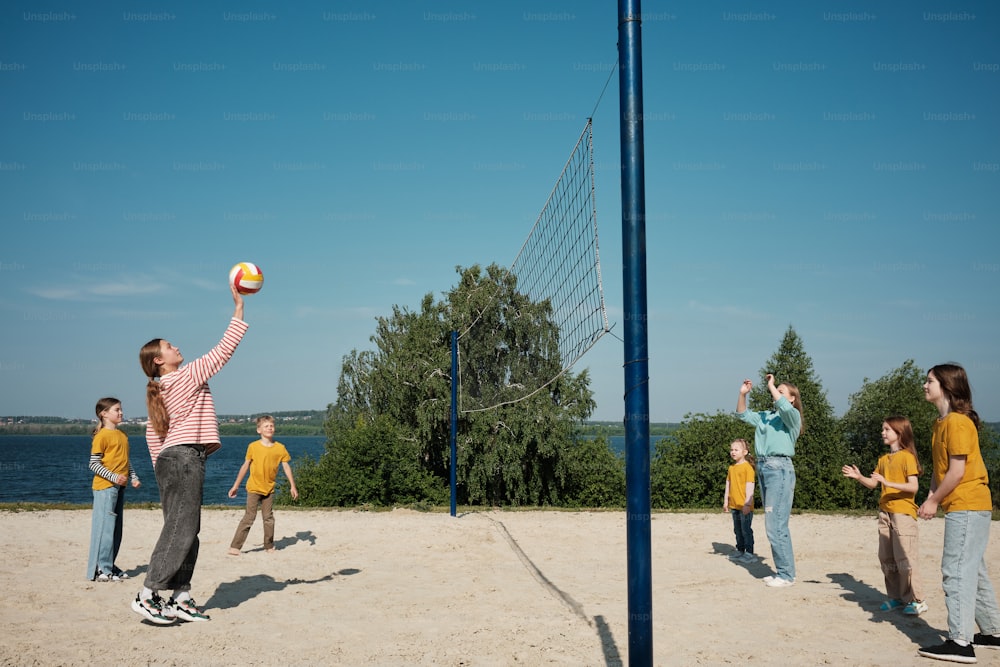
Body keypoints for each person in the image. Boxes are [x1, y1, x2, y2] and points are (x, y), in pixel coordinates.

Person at [131, 285, 248, 625]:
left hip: (172, 461)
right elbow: (224, 349)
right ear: (159, 360)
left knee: (185, 528)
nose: (177, 347)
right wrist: (239, 308)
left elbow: (154, 437)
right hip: (183, 460)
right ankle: (148, 593)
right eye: (169, 346)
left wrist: (161, 473)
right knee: (182, 529)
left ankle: (180, 596)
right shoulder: (185, 377)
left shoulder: (159, 391)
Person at [916, 363, 1000, 663]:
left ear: (947, 387)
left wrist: (935, 501)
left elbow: (957, 471)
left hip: (968, 504)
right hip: (964, 506)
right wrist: (930, 496)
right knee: (973, 568)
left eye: (929, 381)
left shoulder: (958, 423)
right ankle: (992, 632)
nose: (924, 385)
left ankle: (961, 642)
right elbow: (940, 471)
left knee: (956, 571)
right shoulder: (941, 423)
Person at [842, 416, 926, 616]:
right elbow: (873, 484)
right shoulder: (883, 459)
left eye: (887, 429)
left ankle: (917, 600)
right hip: (885, 513)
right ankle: (896, 597)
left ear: (899, 432)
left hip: (903, 513)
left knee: (906, 558)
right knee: (887, 558)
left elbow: (913, 487)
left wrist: (887, 482)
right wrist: (859, 477)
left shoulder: (907, 457)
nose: (883, 432)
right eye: (883, 429)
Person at [736, 374, 803, 588]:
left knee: (776, 524)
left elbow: (783, 406)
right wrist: (742, 394)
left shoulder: (792, 417)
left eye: (783, 391)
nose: (776, 393)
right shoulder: (766, 416)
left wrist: (772, 385)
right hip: (764, 468)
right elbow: (742, 415)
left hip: (779, 469)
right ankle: (784, 572)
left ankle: (786, 575)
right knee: (774, 523)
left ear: (792, 399)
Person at [227, 415, 299, 555]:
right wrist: (235, 486)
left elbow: (286, 467)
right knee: (249, 517)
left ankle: (269, 546)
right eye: (266, 426)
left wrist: (293, 486)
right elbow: (245, 466)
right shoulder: (253, 447)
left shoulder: (280, 448)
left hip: (269, 489)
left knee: (268, 518)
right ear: (259, 430)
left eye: (271, 426)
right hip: (254, 487)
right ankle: (235, 547)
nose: (270, 428)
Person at [86, 397, 141, 582]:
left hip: (120, 487)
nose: (121, 413)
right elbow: (93, 464)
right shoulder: (101, 436)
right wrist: (113, 477)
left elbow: (125, 460)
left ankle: (109, 564)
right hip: (105, 488)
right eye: (116, 410)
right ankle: (101, 568)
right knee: (105, 530)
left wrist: (133, 477)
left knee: (116, 530)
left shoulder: (122, 435)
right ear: (104, 414)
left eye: (121, 409)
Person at [723, 438, 756, 563]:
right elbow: (728, 484)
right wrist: (726, 501)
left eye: (736, 449)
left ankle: (749, 553)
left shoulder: (748, 468)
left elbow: (750, 486)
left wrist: (747, 503)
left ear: (745, 452)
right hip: (734, 505)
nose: (733, 452)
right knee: (737, 529)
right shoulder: (731, 468)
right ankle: (740, 550)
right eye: (731, 449)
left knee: (746, 529)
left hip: (745, 506)